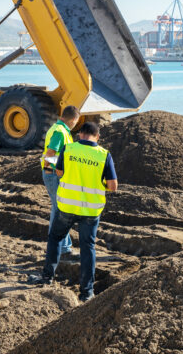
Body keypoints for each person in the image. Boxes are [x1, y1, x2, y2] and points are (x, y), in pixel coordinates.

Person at [30, 121, 118, 302]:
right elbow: (113, 186)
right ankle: (87, 293)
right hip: (91, 210)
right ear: (98, 137)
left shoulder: (68, 149)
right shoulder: (104, 155)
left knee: (55, 238)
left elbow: (59, 172)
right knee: (88, 248)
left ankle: (47, 277)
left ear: (80, 135)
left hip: (67, 206)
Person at [41, 105, 80, 259]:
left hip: (52, 174)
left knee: (58, 210)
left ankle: (58, 246)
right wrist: (54, 171)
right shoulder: (60, 132)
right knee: (60, 211)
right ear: (74, 119)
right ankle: (62, 248)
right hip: (53, 176)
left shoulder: (57, 129)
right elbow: (50, 155)